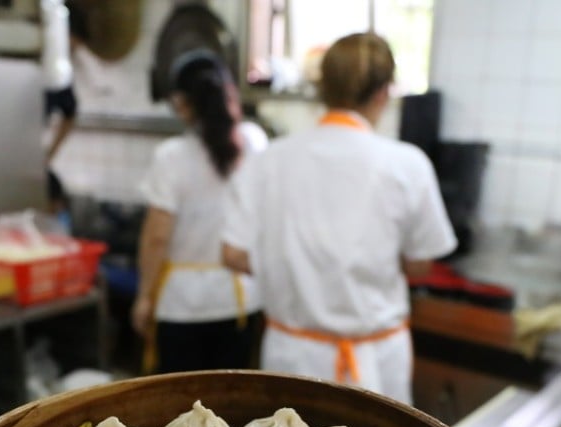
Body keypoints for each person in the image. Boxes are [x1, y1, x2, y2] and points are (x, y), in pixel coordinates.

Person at [221, 32, 456, 404]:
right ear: (383, 93)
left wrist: (294, 265)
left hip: (292, 355)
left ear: (322, 87)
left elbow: (232, 254)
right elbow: (419, 266)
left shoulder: (269, 160)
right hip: (375, 361)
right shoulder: (406, 164)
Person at [131, 50, 268, 373]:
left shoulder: (171, 157)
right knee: (234, 404)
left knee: (181, 405)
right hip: (241, 301)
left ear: (182, 103)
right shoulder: (254, 142)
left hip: (182, 306)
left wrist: (144, 297)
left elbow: (156, 237)